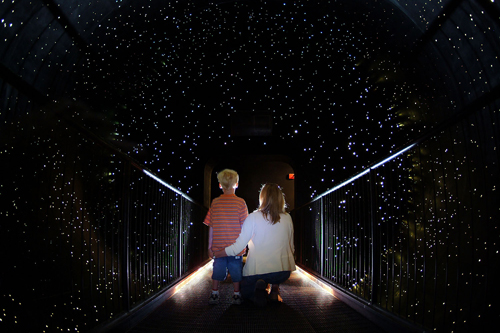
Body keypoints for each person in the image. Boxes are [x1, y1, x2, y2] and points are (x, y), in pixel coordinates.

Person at [213, 183, 296, 306]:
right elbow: (291, 248)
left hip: (257, 271)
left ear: (262, 198)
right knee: (275, 268)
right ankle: (274, 289)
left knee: (245, 293)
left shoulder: (253, 217)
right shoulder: (287, 218)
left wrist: (217, 253)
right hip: (282, 272)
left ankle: (258, 290)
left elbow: (238, 247)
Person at [204, 169, 248, 305]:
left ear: (220, 185)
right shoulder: (241, 203)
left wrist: (209, 247)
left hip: (218, 247)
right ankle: (236, 295)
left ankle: (214, 293)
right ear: (237, 184)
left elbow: (210, 226)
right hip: (235, 248)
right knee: (236, 273)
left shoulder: (215, 203)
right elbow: (245, 227)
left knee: (217, 271)